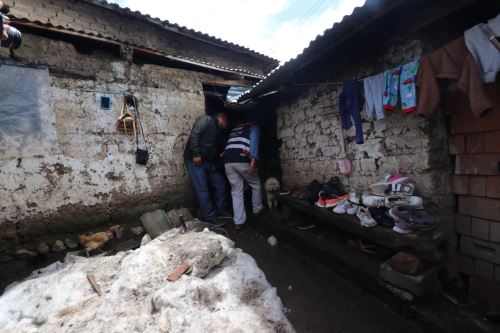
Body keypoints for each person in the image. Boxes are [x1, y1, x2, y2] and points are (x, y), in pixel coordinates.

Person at [184, 112, 231, 225]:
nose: (227, 125)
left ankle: (220, 210)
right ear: (221, 118)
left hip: (209, 163)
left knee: (220, 184)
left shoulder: (219, 131)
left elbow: (217, 150)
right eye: (226, 122)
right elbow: (194, 135)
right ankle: (209, 216)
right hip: (195, 161)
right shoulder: (206, 120)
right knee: (203, 189)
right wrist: (196, 154)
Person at [223, 117, 264, 230]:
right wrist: (254, 159)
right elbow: (254, 143)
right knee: (255, 183)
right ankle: (257, 209)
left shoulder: (234, 130)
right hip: (242, 159)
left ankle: (238, 222)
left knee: (236, 191)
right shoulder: (253, 127)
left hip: (228, 162)